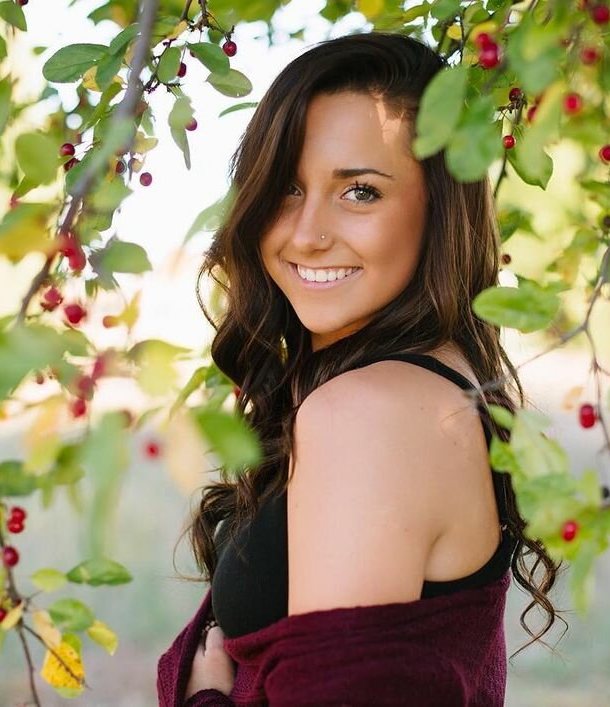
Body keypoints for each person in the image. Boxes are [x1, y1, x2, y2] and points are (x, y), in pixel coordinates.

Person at [159, 31, 564, 706]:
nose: (306, 233)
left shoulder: (370, 411)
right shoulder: (436, 379)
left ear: (439, 208)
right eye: (288, 188)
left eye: (360, 192)